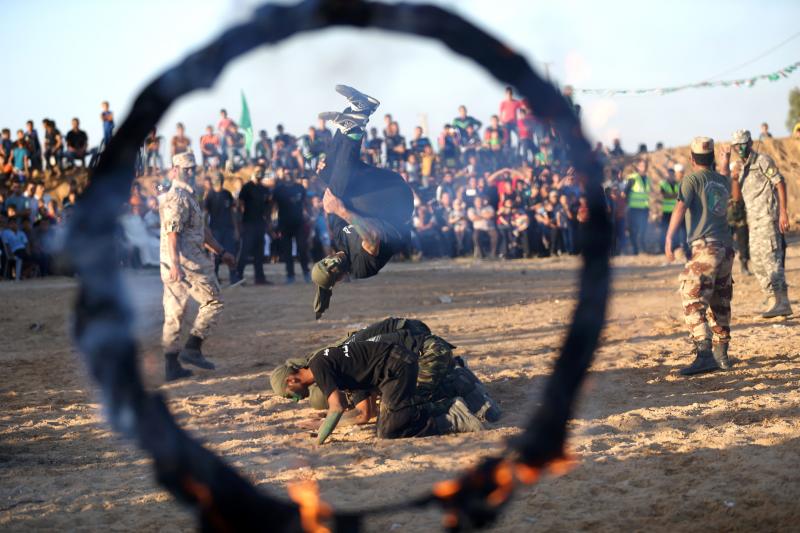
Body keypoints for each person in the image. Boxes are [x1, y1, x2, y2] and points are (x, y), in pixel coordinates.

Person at [310, 85, 414, 319]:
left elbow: (331, 198)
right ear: (339, 276)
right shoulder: (360, 268)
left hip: (381, 188)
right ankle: (353, 129)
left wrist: (326, 171)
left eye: (325, 261)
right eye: (331, 267)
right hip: (396, 205)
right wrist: (342, 210)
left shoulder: (338, 240)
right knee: (340, 193)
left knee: (329, 178)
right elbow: (372, 237)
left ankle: (358, 112)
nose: (331, 260)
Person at [270, 317, 500, 422]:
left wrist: (332, 419)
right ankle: (454, 370)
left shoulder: (346, 374)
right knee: (397, 394)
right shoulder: (333, 356)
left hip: (425, 349)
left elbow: (364, 414)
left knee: (407, 407)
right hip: (418, 340)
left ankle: (459, 382)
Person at [270, 337, 484, 443]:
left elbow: (337, 407)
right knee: (386, 424)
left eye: (290, 395)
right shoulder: (329, 365)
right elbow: (366, 413)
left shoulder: (319, 366)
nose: (295, 398)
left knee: (390, 430)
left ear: (290, 380)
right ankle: (456, 395)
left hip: (396, 367)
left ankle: (451, 417)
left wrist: (320, 438)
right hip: (394, 368)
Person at [160, 152, 236, 381]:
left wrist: (221, 252)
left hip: (178, 263)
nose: (191, 172)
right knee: (214, 301)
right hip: (187, 263)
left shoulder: (188, 196)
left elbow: (202, 232)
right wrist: (175, 264)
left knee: (175, 312)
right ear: (174, 170)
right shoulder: (178, 197)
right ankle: (192, 347)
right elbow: (173, 232)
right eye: (186, 168)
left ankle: (171, 366)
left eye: (193, 168)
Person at [664, 137, 733, 376]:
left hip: (706, 248)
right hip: (726, 248)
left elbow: (681, 207)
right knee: (720, 299)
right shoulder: (722, 180)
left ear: (692, 159)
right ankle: (722, 354)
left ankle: (704, 354)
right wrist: (725, 162)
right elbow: (724, 176)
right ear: (712, 157)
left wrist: (669, 238)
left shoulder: (691, 179)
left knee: (691, 295)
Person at [726, 129, 792, 317]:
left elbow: (780, 184)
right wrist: (734, 178)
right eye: (736, 146)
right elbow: (737, 199)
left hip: (768, 218)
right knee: (758, 263)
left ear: (750, 142)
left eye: (742, 144)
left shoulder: (763, 160)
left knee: (772, 261)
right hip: (752, 221)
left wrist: (783, 213)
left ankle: (783, 301)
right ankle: (772, 300)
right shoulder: (740, 167)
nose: (739, 148)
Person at [236, 163, 272, 285]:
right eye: (257, 171)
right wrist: (240, 223)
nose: (259, 173)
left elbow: (268, 207)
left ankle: (260, 278)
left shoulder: (264, 189)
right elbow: (240, 205)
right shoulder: (247, 187)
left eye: (261, 171)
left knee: (259, 253)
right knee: (244, 252)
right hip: (248, 224)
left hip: (260, 224)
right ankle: (238, 277)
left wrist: (268, 223)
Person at [204, 172, 241, 285]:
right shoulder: (209, 195)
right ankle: (215, 279)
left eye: (220, 178)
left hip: (228, 228)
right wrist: (207, 230)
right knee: (215, 255)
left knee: (231, 253)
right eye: (217, 178)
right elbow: (205, 214)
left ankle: (233, 278)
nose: (219, 181)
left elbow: (232, 212)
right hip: (215, 229)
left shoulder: (227, 194)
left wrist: (235, 229)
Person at [272, 174, 311, 283]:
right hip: (284, 224)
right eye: (286, 171)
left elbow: (306, 203)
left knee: (302, 248)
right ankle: (290, 275)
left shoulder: (300, 187)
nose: (288, 174)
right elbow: (273, 206)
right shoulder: (278, 190)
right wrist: (272, 221)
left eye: (291, 171)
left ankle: (306, 273)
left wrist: (309, 214)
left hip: (299, 223)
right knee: (287, 251)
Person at [624, 158, 651, 255]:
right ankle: (636, 250)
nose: (644, 167)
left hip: (644, 208)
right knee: (633, 230)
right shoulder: (633, 178)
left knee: (643, 229)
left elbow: (646, 194)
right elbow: (625, 193)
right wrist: (626, 205)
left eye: (645, 165)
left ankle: (642, 249)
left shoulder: (647, 179)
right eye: (642, 165)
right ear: (638, 167)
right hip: (633, 209)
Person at [659, 167, 681, 255]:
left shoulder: (678, 184)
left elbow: (680, 196)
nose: (670, 176)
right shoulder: (663, 184)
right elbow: (665, 196)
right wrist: (675, 195)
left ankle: (675, 248)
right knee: (664, 230)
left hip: (675, 212)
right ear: (667, 175)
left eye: (672, 174)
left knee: (676, 230)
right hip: (666, 212)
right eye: (669, 174)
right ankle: (662, 248)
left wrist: (673, 195)